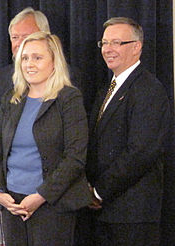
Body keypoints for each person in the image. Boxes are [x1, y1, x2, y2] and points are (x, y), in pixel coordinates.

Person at [0, 32, 92, 245]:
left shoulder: (68, 98)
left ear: (54, 62)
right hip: (12, 205)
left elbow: (75, 158)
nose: (29, 64)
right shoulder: (12, 98)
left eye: (37, 57)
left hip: (53, 205)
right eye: (25, 58)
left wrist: (40, 197)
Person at [86, 17, 172, 246]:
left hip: (133, 215)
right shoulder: (106, 89)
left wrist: (98, 192)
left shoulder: (149, 89)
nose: (107, 49)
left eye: (116, 42)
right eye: (104, 43)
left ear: (137, 47)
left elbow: (140, 153)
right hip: (105, 214)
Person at [0, 7, 50, 109]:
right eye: (15, 37)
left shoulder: (66, 76)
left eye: (26, 37)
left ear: (45, 37)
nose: (19, 43)